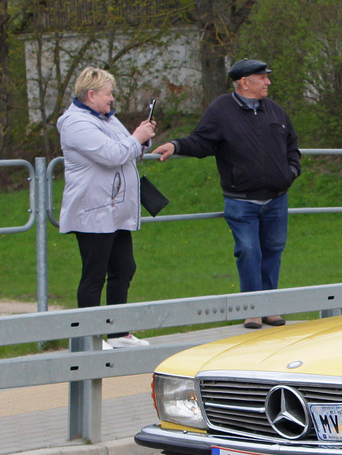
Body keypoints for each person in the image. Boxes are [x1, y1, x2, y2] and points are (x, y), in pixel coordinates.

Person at [152, 59, 300, 328]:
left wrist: (292, 170)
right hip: (241, 201)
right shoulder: (221, 110)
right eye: (262, 77)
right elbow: (202, 141)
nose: (268, 82)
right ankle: (253, 308)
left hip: (277, 198)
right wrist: (176, 145)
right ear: (245, 82)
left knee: (273, 250)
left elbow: (292, 144)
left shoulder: (275, 111)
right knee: (248, 250)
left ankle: (270, 305)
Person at [57, 67, 157, 349]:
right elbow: (112, 155)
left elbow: (129, 149)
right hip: (92, 212)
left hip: (116, 211)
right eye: (108, 93)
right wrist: (136, 137)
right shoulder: (75, 123)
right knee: (94, 275)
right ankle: (89, 337)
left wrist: (143, 138)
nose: (112, 99)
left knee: (124, 268)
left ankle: (118, 332)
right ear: (91, 94)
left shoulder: (108, 120)